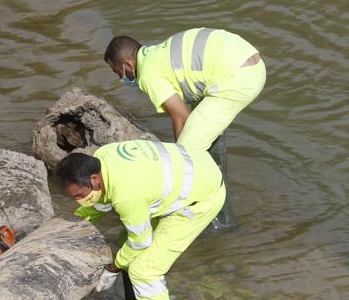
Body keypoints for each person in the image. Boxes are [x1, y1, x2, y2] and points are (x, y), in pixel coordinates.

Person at [57, 140, 226, 300]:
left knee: (145, 270)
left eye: (80, 195)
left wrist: (112, 269)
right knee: (126, 238)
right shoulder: (102, 158)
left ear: (94, 180)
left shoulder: (127, 194)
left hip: (199, 198)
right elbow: (101, 205)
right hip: (191, 171)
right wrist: (71, 227)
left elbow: (140, 242)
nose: (78, 200)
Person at [103, 28, 264, 230]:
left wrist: (179, 159)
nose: (121, 77)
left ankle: (218, 222)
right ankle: (220, 210)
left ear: (128, 64)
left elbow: (180, 115)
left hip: (236, 77)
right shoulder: (157, 54)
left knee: (186, 159)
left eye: (118, 72)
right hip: (249, 62)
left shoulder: (148, 73)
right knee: (207, 138)